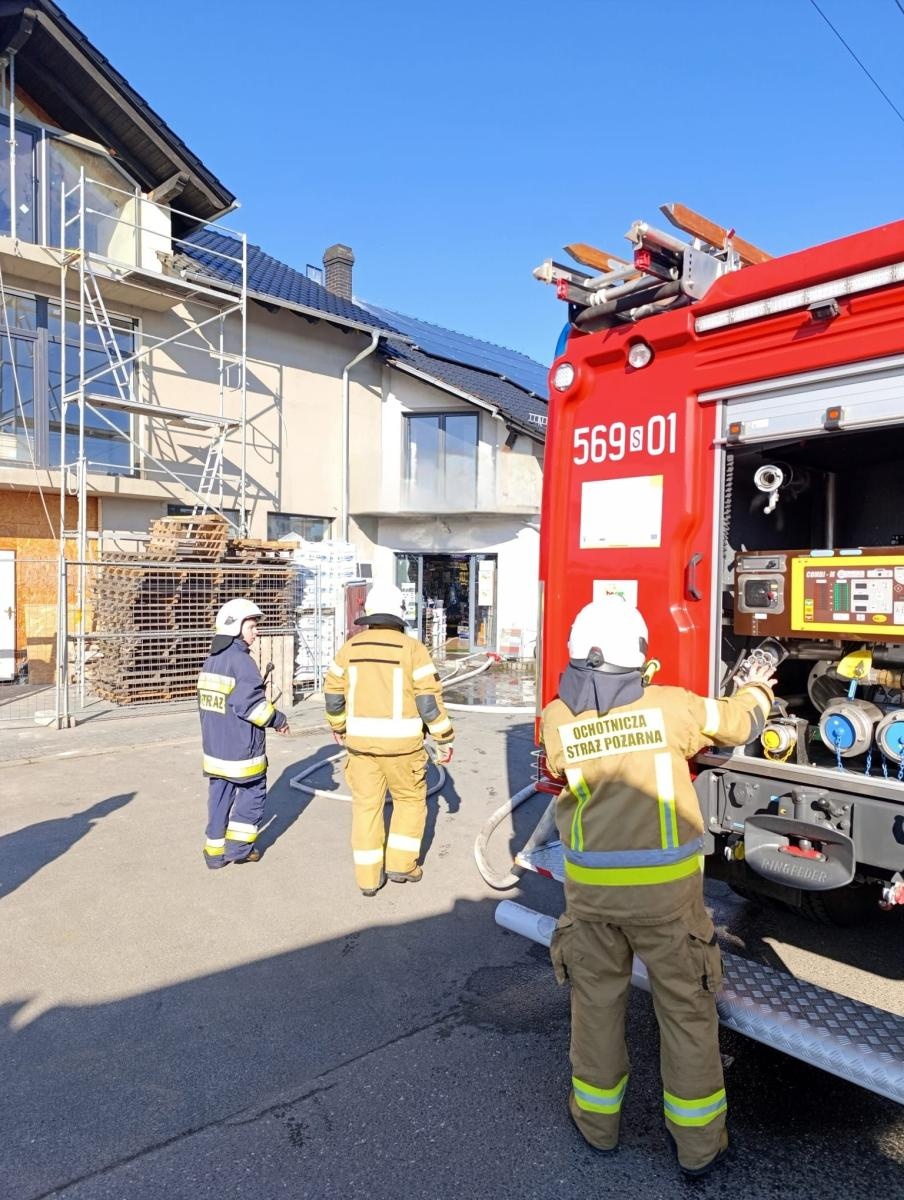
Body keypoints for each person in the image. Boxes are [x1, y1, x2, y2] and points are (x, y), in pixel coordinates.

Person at [540, 597, 776, 1177]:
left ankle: (596, 1125)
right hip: (667, 905)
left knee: (594, 1007)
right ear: (640, 656)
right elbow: (738, 723)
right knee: (686, 1013)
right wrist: (759, 687)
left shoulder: (555, 717)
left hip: (590, 901)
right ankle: (699, 1148)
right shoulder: (671, 708)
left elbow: (556, 769)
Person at [323, 583, 455, 896]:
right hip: (403, 750)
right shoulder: (412, 649)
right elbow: (428, 703)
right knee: (409, 802)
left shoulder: (350, 648)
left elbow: (332, 694)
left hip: (360, 748)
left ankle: (368, 880)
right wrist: (444, 737)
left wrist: (339, 727)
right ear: (400, 614)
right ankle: (401, 865)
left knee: (366, 808)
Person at [197, 598, 289, 868]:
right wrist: (279, 719)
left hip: (215, 750)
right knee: (251, 795)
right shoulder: (242, 662)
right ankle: (238, 850)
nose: (256, 631)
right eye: (251, 626)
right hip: (242, 750)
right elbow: (253, 707)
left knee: (219, 798)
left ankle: (214, 854)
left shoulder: (211, 661)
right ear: (236, 627)